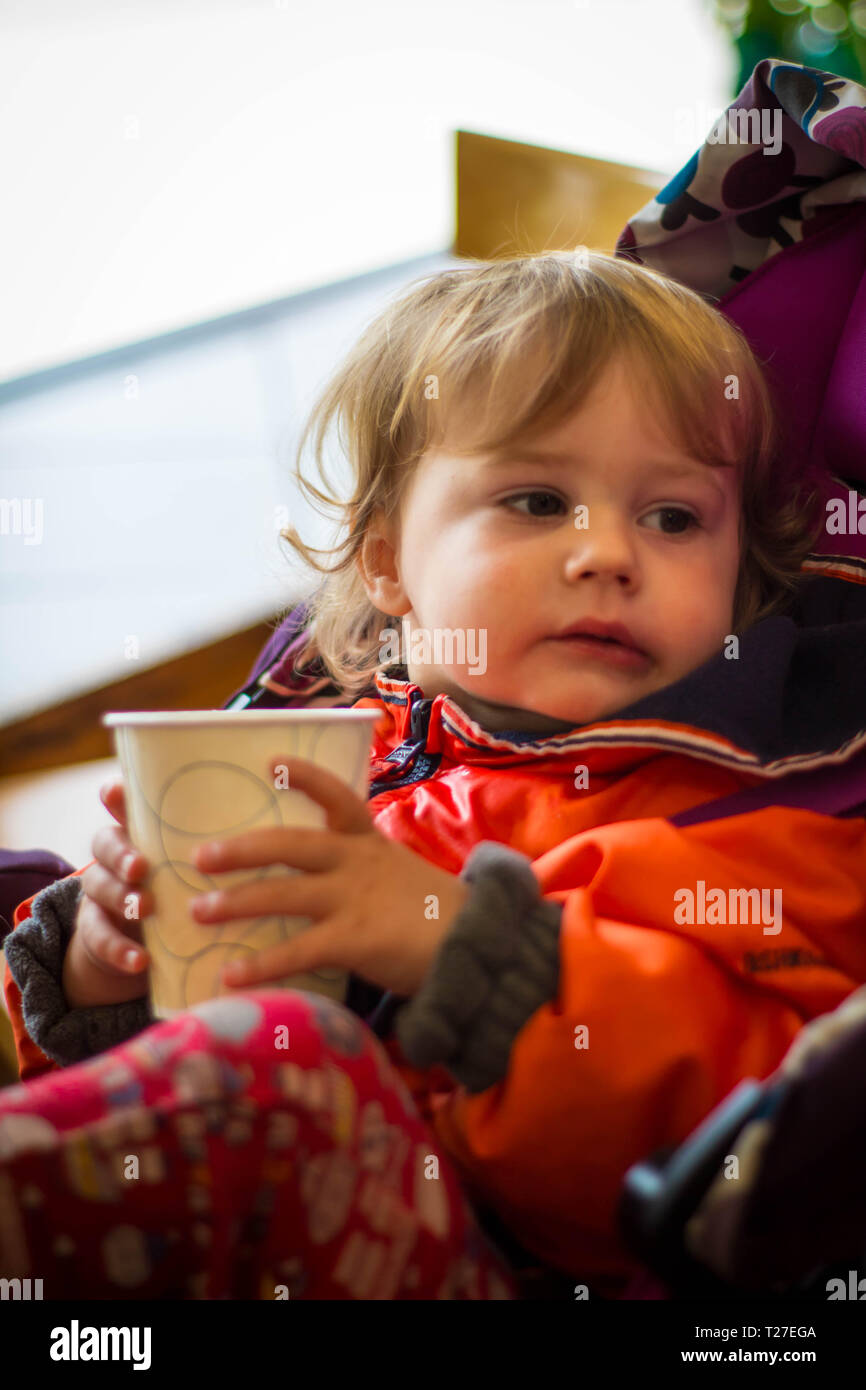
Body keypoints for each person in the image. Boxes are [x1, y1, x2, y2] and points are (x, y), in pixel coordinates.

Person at [4, 250, 866, 1300]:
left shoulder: (773, 810)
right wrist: (109, 968)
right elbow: (125, 1135)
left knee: (286, 1060)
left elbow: (751, 1158)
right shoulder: (320, 755)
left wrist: (447, 941)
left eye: (672, 518)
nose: (606, 552)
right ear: (385, 564)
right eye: (538, 499)